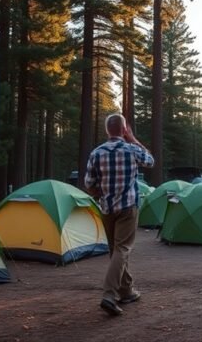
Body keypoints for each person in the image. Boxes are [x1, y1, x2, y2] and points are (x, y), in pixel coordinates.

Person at [85, 113, 154, 317]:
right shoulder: (131, 149)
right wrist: (132, 139)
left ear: (107, 130)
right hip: (128, 207)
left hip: (107, 208)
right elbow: (150, 161)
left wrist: (103, 193)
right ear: (124, 130)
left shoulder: (96, 153)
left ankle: (126, 290)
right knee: (122, 249)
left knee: (116, 250)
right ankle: (109, 294)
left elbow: (89, 184)